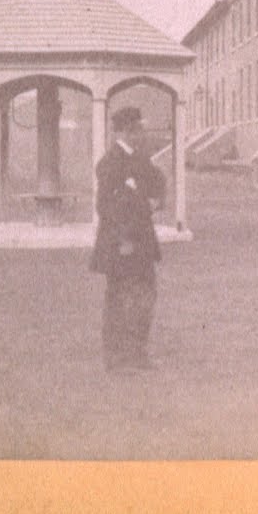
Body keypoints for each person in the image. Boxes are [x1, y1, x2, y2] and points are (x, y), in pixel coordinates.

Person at [88, 106, 166, 372]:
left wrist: (157, 198)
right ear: (124, 131)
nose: (141, 134)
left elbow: (158, 181)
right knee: (120, 300)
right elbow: (106, 206)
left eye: (140, 129)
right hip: (121, 244)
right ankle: (116, 358)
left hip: (142, 243)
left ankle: (137, 353)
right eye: (137, 129)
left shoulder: (140, 159)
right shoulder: (110, 163)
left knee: (145, 297)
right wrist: (123, 238)